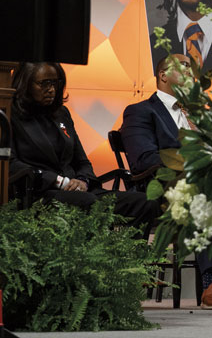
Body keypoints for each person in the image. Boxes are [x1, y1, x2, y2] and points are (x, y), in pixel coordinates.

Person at [120, 54, 212, 309]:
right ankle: (210, 283)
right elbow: (144, 160)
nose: (190, 71)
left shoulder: (201, 115)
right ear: (162, 75)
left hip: (211, 185)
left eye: (191, 67)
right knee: (200, 192)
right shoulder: (141, 111)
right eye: (182, 66)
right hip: (163, 188)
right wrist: (193, 163)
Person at [9, 62, 158, 231]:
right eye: (44, 83)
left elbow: (82, 162)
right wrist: (59, 181)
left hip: (79, 192)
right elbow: (11, 164)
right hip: (41, 194)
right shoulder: (11, 114)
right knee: (87, 202)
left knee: (145, 203)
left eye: (55, 83)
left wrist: (83, 181)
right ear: (25, 84)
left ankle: (126, 248)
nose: (51, 89)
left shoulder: (61, 113)